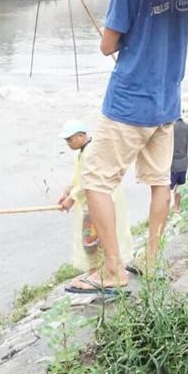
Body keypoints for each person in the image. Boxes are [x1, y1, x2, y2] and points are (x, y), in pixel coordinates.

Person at [68, 0, 188, 293]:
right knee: (159, 181)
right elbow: (185, 37)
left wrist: (126, 42)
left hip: (130, 104)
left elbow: (108, 44)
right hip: (167, 102)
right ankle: (151, 260)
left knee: (94, 179)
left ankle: (112, 269)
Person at [55, 119, 132, 277]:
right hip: (90, 200)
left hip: (97, 201)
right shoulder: (83, 152)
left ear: (81, 136)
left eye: (70, 139)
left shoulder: (91, 152)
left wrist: (72, 198)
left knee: (92, 239)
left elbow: (89, 180)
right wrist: (67, 190)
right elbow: (78, 176)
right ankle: (99, 269)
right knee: (93, 238)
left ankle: (101, 270)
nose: (68, 143)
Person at [170, 116, 188, 212]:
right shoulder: (186, 126)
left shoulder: (170, 127)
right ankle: (177, 207)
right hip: (184, 162)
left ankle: (164, 209)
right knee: (180, 185)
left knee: (164, 188)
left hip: (173, 163)